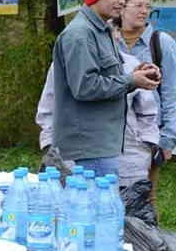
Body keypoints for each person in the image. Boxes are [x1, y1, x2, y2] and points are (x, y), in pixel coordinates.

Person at [51, 0, 159, 178]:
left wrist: (137, 74)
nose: (121, 1)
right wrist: (131, 81)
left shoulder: (102, 30)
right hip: (89, 149)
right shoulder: (80, 34)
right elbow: (85, 87)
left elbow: (107, 80)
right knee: (95, 211)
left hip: (102, 146)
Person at [37, 51, 160, 187]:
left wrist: (145, 147)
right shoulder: (63, 64)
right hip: (72, 162)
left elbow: (147, 113)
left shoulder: (131, 64)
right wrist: (51, 148)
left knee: (123, 205)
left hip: (128, 162)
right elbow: (48, 110)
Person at [114, 0, 176, 208]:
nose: (144, 11)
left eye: (148, 6)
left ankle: (149, 243)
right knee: (109, 197)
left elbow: (172, 95)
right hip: (110, 133)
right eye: (138, 5)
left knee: (143, 200)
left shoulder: (162, 43)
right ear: (122, 7)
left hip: (147, 137)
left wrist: (167, 140)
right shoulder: (107, 39)